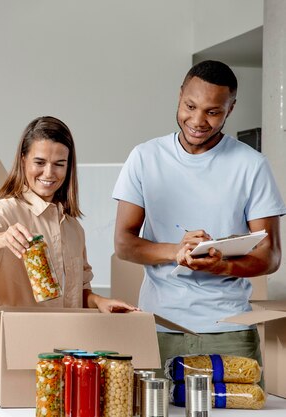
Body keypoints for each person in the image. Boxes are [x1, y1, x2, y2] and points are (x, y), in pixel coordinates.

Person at [0, 116, 138, 414]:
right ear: (23, 159)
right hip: (12, 359)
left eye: (59, 164)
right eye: (39, 162)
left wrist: (99, 301)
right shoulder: (7, 210)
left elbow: (74, 292)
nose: (49, 173)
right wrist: (2, 239)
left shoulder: (73, 228)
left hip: (59, 365)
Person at [112, 60, 286, 374]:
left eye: (213, 111)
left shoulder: (252, 165)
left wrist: (224, 266)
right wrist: (175, 252)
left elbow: (271, 255)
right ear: (179, 96)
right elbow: (124, 243)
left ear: (230, 109)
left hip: (230, 329)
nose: (197, 120)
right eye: (190, 106)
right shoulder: (144, 157)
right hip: (159, 327)